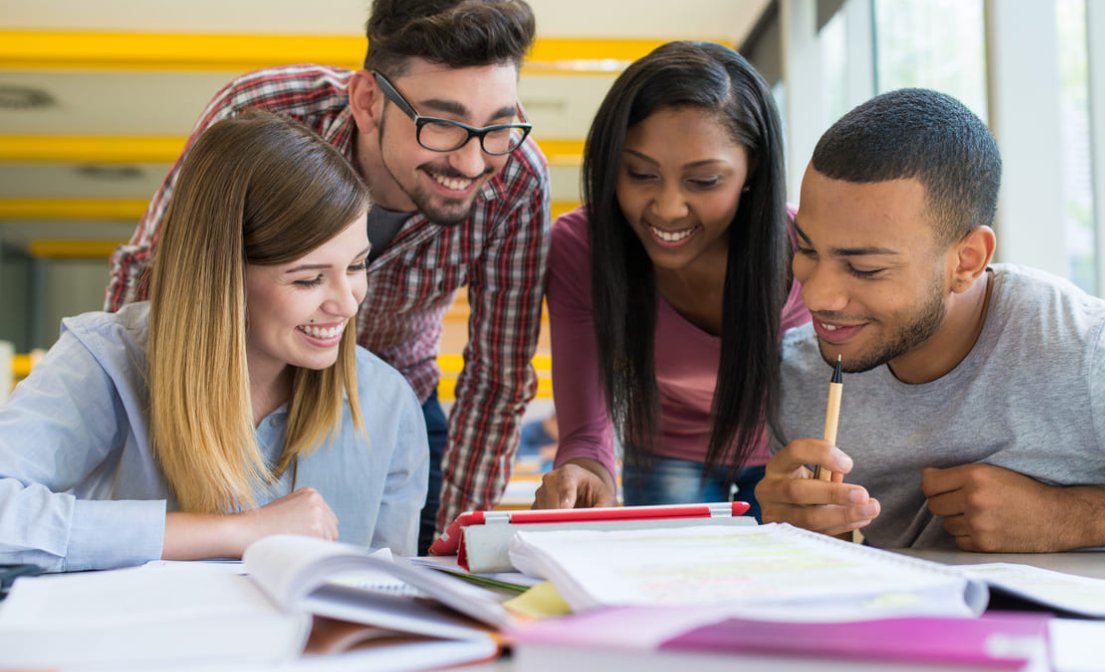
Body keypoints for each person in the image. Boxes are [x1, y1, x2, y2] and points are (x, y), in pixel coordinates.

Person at [104, 0, 550, 552]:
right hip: (228, 392)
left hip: (396, 400)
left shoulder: (520, 180)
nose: (472, 162)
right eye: (441, 125)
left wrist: (457, 539)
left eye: (498, 128)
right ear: (367, 101)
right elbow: (156, 273)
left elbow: (498, 375)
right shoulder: (266, 113)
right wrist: (123, 400)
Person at [758, 88, 1105, 551]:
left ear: (966, 261)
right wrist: (797, 536)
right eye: (806, 249)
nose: (818, 295)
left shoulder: (1097, 352)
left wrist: (1072, 518)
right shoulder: (796, 373)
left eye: (866, 269)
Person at [0, 113, 428, 571]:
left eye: (357, 266)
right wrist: (238, 531)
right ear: (222, 280)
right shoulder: (107, 360)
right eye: (308, 280)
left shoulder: (387, 402)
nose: (347, 304)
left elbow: (389, 597)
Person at [534, 41, 810, 519]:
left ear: (753, 170)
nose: (667, 208)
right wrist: (587, 470)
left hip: (791, 454)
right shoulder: (582, 246)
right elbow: (585, 431)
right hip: (665, 451)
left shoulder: (808, 249)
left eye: (704, 181)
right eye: (640, 173)